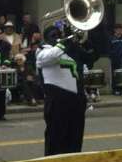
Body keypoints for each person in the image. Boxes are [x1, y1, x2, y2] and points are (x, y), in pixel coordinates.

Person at [35, 26, 99, 155]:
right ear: (46, 38)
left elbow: (92, 57)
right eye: (53, 35)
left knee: (75, 140)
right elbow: (47, 59)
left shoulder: (72, 48)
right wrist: (66, 41)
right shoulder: (43, 50)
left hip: (77, 99)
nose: (57, 37)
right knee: (56, 141)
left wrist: (85, 41)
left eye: (59, 34)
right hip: (57, 100)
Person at [109, 24, 122, 95]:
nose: (119, 30)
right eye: (118, 29)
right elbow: (108, 49)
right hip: (115, 60)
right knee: (115, 74)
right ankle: (115, 89)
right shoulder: (111, 38)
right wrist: (112, 56)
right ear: (115, 30)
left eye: (120, 29)